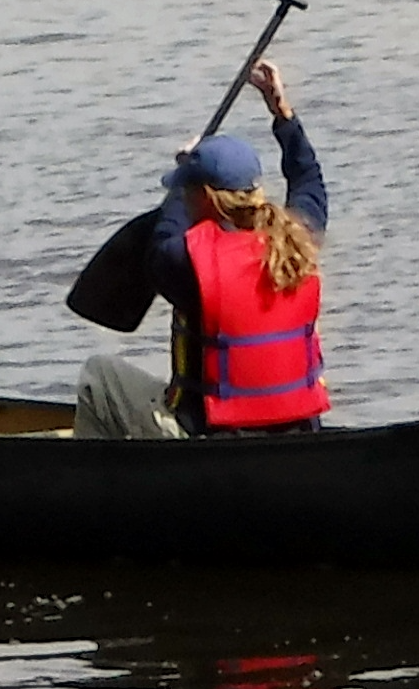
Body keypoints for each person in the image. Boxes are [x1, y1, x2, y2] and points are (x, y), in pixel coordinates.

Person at [77, 60, 326, 439]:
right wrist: (283, 114)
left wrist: (186, 174)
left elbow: (166, 231)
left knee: (98, 375)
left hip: (209, 436)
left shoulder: (185, 264)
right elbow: (309, 183)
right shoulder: (298, 242)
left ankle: (103, 487)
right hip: (299, 433)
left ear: (203, 196)